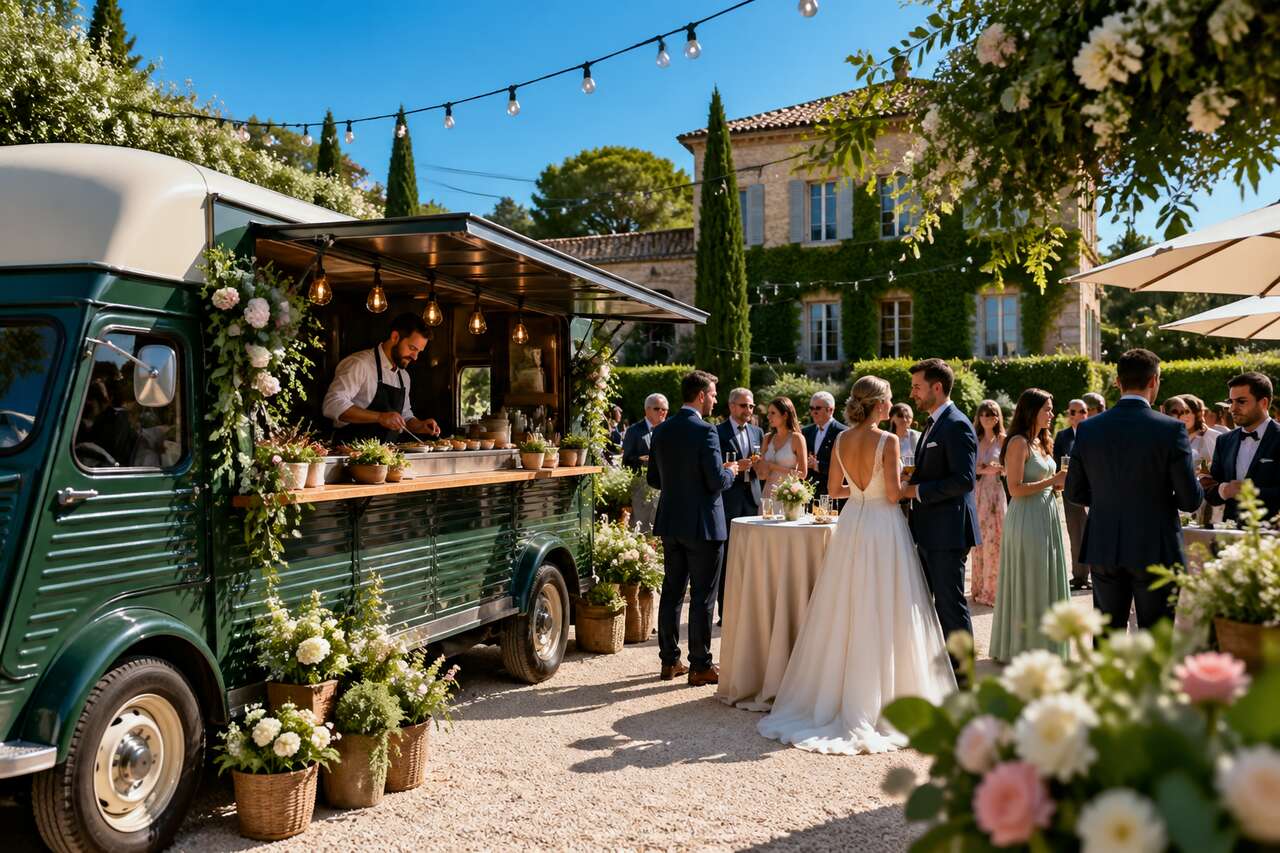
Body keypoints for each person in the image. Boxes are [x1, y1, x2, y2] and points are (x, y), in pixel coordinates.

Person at [757, 376, 956, 755]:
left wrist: (864, 492)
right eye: (890, 400)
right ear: (880, 405)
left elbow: (834, 491)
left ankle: (841, 694)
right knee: (889, 604)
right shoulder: (890, 440)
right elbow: (896, 494)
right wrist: (907, 488)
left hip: (853, 523)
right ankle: (887, 695)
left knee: (847, 605)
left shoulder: (843, 440)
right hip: (884, 525)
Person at [1065, 349, 1203, 631]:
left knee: (1107, 639)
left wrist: (1108, 500)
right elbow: (1189, 500)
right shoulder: (1171, 429)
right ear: (1154, 381)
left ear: (1118, 382)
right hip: (1155, 545)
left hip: (1105, 541)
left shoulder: (1088, 429)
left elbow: (1074, 493)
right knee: (1155, 636)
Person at [647, 371, 739, 686]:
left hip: (671, 522)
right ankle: (700, 665)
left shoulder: (661, 430)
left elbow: (653, 480)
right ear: (701, 395)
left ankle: (669, 662)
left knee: (672, 592)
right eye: (713, 394)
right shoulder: (706, 432)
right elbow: (715, 482)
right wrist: (731, 472)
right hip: (702, 526)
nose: (715, 399)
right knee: (702, 597)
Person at [901, 358, 979, 660]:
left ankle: (965, 680)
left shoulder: (957, 424)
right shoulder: (934, 422)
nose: (912, 394)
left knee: (950, 606)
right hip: (929, 530)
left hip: (948, 532)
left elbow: (963, 480)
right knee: (930, 604)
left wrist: (915, 490)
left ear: (937, 387)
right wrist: (911, 477)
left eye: (917, 387)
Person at [990, 389, 1072, 661]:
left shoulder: (1041, 441)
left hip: (1046, 514)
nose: (1052, 413)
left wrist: (1055, 487)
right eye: (1047, 409)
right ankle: (1023, 647)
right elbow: (1014, 489)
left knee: (1046, 578)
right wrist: (1053, 480)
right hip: (1026, 518)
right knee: (1031, 578)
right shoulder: (1018, 443)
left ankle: (1046, 645)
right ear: (1031, 411)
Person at [322, 312, 441, 444]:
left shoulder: (404, 376)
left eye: (419, 351)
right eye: (412, 348)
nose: (415, 357)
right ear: (395, 337)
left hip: (387, 456)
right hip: (350, 454)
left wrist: (419, 425)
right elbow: (332, 404)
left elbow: (404, 416)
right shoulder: (360, 364)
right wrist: (379, 417)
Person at [1205, 372, 1280, 524]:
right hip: (1228, 534)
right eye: (1231, 402)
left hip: (1273, 537)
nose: (1232, 408)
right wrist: (1223, 490)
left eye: (1241, 402)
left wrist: (1251, 492)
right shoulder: (1224, 441)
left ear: (1264, 403)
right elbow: (1211, 492)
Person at [715, 387, 763, 623]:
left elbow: (762, 465)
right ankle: (726, 613)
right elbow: (714, 467)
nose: (749, 410)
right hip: (729, 500)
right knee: (727, 558)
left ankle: (749, 613)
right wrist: (734, 466)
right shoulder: (717, 431)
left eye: (751, 406)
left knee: (750, 557)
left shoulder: (757, 432)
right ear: (732, 406)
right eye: (744, 406)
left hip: (752, 499)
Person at [970, 399, 1006, 607]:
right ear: (979, 417)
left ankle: (994, 590)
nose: (987, 418)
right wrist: (985, 468)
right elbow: (971, 468)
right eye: (984, 414)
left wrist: (995, 467)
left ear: (997, 417)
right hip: (978, 493)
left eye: (992, 414)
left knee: (996, 541)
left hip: (996, 493)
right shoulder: (974, 438)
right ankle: (979, 587)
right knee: (980, 541)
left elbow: (1009, 467)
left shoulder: (1003, 439)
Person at [1054, 398, 1092, 591]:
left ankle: (1095, 574)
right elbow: (1056, 463)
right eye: (1073, 412)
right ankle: (1079, 576)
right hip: (1071, 494)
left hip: (1094, 493)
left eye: (1082, 411)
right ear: (1068, 415)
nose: (1078, 415)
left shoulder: (1096, 432)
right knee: (1075, 535)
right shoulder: (1062, 436)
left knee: (1093, 535)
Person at [622, 394, 669, 531]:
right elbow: (626, 461)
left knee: (660, 526)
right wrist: (642, 459)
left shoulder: (668, 430)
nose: (662, 412)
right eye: (657, 409)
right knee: (641, 527)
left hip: (664, 487)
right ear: (647, 410)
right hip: (642, 488)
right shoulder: (634, 431)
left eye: (665, 409)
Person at [755, 397, 808, 498]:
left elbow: (803, 474)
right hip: (768, 495)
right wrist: (756, 465)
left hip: (789, 496)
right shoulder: (767, 438)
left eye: (773, 413)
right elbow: (762, 476)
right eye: (768, 413)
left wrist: (773, 466)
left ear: (785, 415)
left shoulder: (797, 438)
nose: (768, 416)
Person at [802, 392, 846, 501]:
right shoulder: (806, 431)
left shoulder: (844, 433)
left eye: (817, 408)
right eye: (811, 408)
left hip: (833, 494)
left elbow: (845, 466)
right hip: (810, 492)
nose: (813, 412)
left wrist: (818, 466)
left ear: (830, 410)